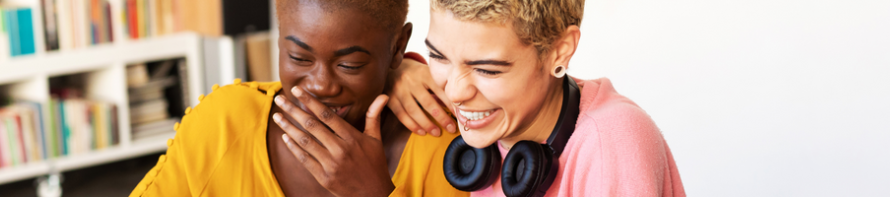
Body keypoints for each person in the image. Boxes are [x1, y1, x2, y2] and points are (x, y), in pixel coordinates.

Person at [129, 0, 467, 196]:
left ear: (397, 48)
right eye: (299, 57)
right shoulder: (222, 124)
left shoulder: (445, 146)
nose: (321, 86)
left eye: (350, 64)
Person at [408, 0, 688, 196]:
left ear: (560, 51)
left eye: (487, 69)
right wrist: (394, 72)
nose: (455, 92)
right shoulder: (488, 129)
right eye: (438, 56)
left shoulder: (612, 143)